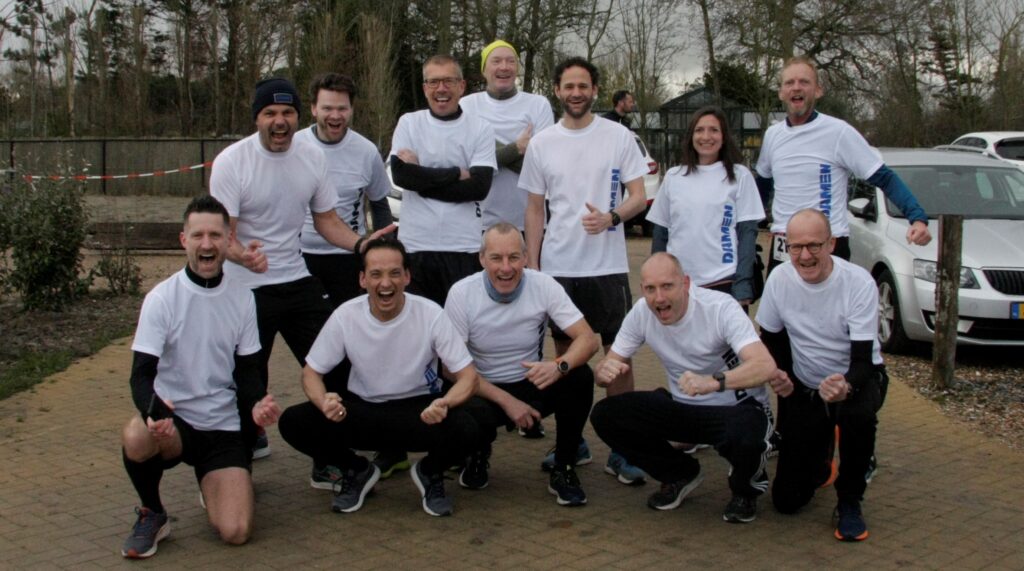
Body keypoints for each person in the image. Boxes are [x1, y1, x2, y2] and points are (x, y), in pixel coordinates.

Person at [209, 77, 392, 459]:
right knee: (246, 376)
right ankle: (238, 453)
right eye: (270, 113)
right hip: (245, 289)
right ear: (257, 118)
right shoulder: (232, 162)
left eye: (286, 112)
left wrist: (361, 244)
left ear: (297, 115)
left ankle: (330, 456)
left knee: (334, 363)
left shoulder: (311, 159)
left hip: (295, 279)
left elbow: (326, 221)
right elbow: (221, 235)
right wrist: (243, 255)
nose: (280, 121)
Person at [120, 196, 282, 559]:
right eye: (197, 236)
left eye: (214, 235)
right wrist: (157, 412)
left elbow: (248, 370)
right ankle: (153, 512)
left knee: (236, 532)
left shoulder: (242, 299)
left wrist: (258, 404)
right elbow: (140, 376)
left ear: (228, 241)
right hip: (174, 422)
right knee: (136, 434)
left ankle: (217, 485)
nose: (206, 244)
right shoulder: (162, 299)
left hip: (222, 426)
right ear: (184, 241)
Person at [277, 237, 481, 517]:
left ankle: (430, 472)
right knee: (293, 421)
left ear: (407, 276)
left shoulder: (431, 313)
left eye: (395, 273)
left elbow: (468, 377)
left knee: (474, 425)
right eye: (376, 274)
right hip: (363, 411)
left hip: (420, 411)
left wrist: (445, 402)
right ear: (362, 279)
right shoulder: (345, 315)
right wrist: (323, 400)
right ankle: (357, 470)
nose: (386, 283)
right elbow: (311, 372)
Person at [520, 56, 650, 484]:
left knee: (620, 357)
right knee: (567, 361)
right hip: (559, 269)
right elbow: (535, 210)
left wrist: (612, 217)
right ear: (557, 90)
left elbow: (638, 196)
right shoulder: (542, 143)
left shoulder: (619, 136)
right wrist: (534, 266)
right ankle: (572, 441)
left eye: (583, 85)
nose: (576, 92)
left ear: (594, 89)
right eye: (568, 86)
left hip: (608, 269)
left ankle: (625, 447)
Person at [589, 253, 789, 523]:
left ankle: (746, 491)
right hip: (684, 408)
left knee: (747, 436)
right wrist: (601, 373)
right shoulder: (641, 313)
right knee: (606, 414)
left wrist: (713, 382)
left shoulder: (720, 308)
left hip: (736, 410)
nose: (659, 298)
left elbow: (764, 365)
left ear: (685, 283)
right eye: (650, 289)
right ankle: (680, 473)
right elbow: (610, 367)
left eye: (667, 286)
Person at [445, 223, 600, 506]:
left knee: (580, 376)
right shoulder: (461, 293)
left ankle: (564, 466)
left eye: (514, 257)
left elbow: (588, 340)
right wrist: (507, 402)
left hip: (530, 382)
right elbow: (450, 369)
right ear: (482, 259)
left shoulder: (543, 285)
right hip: (482, 388)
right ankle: (477, 455)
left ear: (526, 257)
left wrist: (559, 366)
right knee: (457, 407)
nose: (506, 267)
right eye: (496, 258)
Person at [756, 209, 888, 541]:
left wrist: (846, 384)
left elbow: (862, 359)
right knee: (787, 502)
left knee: (857, 419)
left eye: (814, 245)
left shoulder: (857, 282)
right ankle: (821, 457)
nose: (804, 255)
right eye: (796, 246)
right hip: (807, 385)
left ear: (831, 243)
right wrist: (780, 374)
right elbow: (770, 339)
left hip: (856, 379)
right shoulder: (780, 280)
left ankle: (850, 501)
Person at [755, 56, 931, 273]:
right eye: (789, 83)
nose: (796, 88)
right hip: (784, 245)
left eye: (804, 82)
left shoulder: (839, 132)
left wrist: (918, 218)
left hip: (828, 244)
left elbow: (883, 177)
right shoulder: (773, 135)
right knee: (782, 307)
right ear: (781, 92)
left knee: (830, 308)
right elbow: (761, 187)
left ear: (818, 90)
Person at [389, 54, 497, 306]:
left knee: (460, 329)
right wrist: (455, 174)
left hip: (463, 246)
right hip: (416, 246)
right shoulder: (409, 123)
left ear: (462, 86)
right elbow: (402, 175)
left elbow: (479, 187)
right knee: (418, 329)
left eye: (448, 81)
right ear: (425, 87)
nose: (441, 89)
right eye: (433, 82)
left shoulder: (480, 128)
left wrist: (422, 179)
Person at [649, 105, 764, 308]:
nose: (706, 136)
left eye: (714, 130)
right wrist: (657, 279)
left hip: (724, 281)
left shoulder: (740, 175)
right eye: (699, 130)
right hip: (680, 286)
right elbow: (660, 234)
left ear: (724, 136)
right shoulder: (674, 176)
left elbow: (747, 234)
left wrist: (743, 284)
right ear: (691, 136)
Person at [297, 73, 394, 307]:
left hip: (347, 257)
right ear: (313, 109)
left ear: (351, 109)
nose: (335, 116)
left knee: (348, 331)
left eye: (342, 108)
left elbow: (379, 203)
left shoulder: (366, 151)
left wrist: (383, 250)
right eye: (327, 108)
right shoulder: (294, 147)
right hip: (298, 257)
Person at [461, 40, 554, 231]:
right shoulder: (466, 106)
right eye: (496, 61)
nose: (504, 67)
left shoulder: (538, 105)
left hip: (529, 221)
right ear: (484, 69)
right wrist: (517, 149)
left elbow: (543, 169)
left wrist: (486, 152)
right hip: (477, 223)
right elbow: (465, 168)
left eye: (510, 61)